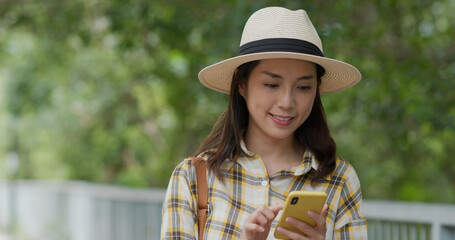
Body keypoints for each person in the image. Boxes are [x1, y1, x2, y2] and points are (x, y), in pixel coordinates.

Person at [161, 6, 367, 240]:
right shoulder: (193, 177)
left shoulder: (339, 178)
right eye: (271, 84)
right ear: (241, 84)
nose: (287, 102)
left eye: (304, 87)